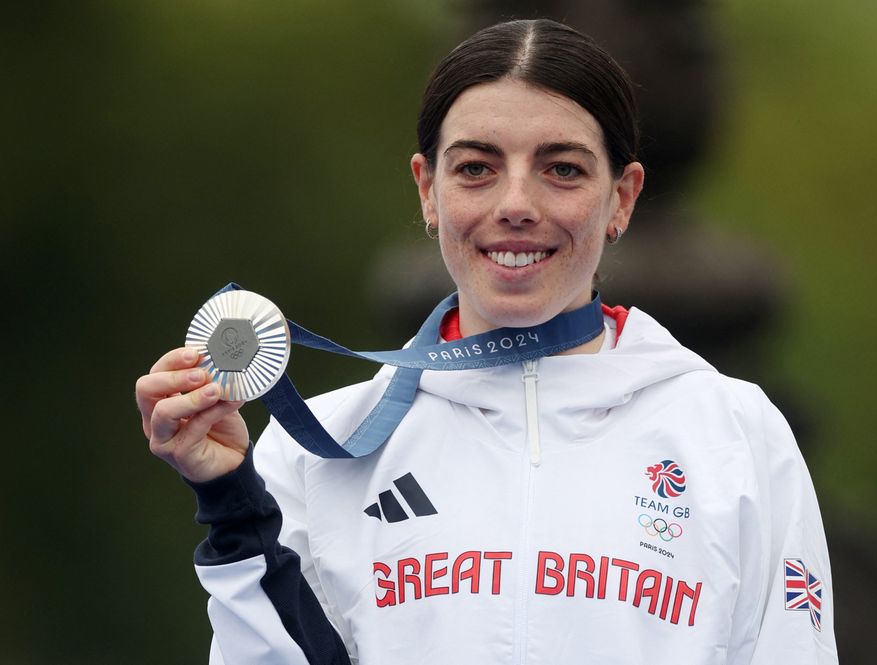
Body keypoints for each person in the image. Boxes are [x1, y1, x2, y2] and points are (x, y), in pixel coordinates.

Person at [135, 19, 838, 665]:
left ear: (621, 197)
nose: (516, 206)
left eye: (562, 168)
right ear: (428, 189)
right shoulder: (316, 447)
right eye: (476, 167)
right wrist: (230, 498)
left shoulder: (735, 435)